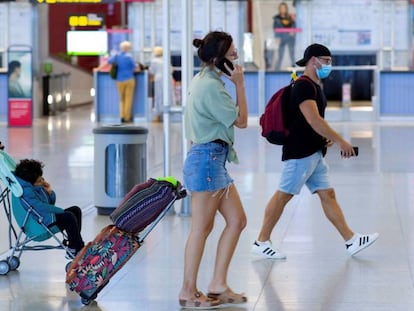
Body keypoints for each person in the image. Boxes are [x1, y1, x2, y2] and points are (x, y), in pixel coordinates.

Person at [252, 43, 379, 259]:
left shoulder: (313, 86)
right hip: (300, 153)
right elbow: (314, 119)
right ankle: (261, 241)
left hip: (314, 152)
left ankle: (351, 240)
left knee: (327, 194)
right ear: (313, 60)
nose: (329, 65)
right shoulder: (303, 87)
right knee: (284, 195)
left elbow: (308, 123)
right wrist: (340, 141)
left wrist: (323, 139)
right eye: (326, 60)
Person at [178, 31, 248, 309]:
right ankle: (187, 291)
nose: (237, 57)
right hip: (207, 160)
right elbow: (241, 121)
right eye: (232, 54)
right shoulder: (212, 88)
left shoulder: (204, 80)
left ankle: (218, 284)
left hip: (212, 160)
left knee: (237, 220)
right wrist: (240, 86)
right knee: (201, 229)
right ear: (220, 60)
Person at [14, 159, 85, 257]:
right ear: (31, 180)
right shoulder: (27, 192)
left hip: (45, 218)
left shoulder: (32, 187)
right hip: (41, 224)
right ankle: (75, 248)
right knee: (69, 217)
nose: (42, 180)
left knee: (75, 210)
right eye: (39, 179)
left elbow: (49, 202)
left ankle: (74, 244)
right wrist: (60, 211)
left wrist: (49, 192)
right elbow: (40, 207)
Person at [97, 41, 140, 123]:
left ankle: (122, 116)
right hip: (130, 79)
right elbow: (136, 68)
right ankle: (127, 118)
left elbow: (106, 63)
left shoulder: (116, 56)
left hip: (119, 80)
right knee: (128, 99)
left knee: (121, 99)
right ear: (128, 48)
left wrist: (98, 69)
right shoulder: (130, 57)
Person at [273, 2, 296, 71]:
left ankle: (294, 68)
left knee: (291, 54)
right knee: (280, 55)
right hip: (281, 39)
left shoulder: (290, 18)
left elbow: (294, 27)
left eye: (284, 8)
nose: (283, 10)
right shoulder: (277, 19)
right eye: (281, 8)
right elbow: (275, 29)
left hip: (290, 39)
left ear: (286, 9)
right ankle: (277, 70)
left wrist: (292, 32)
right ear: (279, 9)